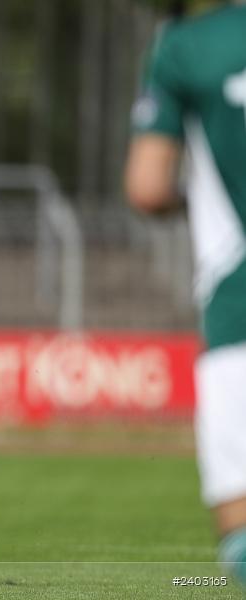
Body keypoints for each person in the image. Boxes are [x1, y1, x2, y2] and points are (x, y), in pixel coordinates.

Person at [125, 1, 246, 587]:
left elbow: (148, 186)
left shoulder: (188, 46)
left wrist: (193, 198)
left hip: (238, 306)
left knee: (242, 529)